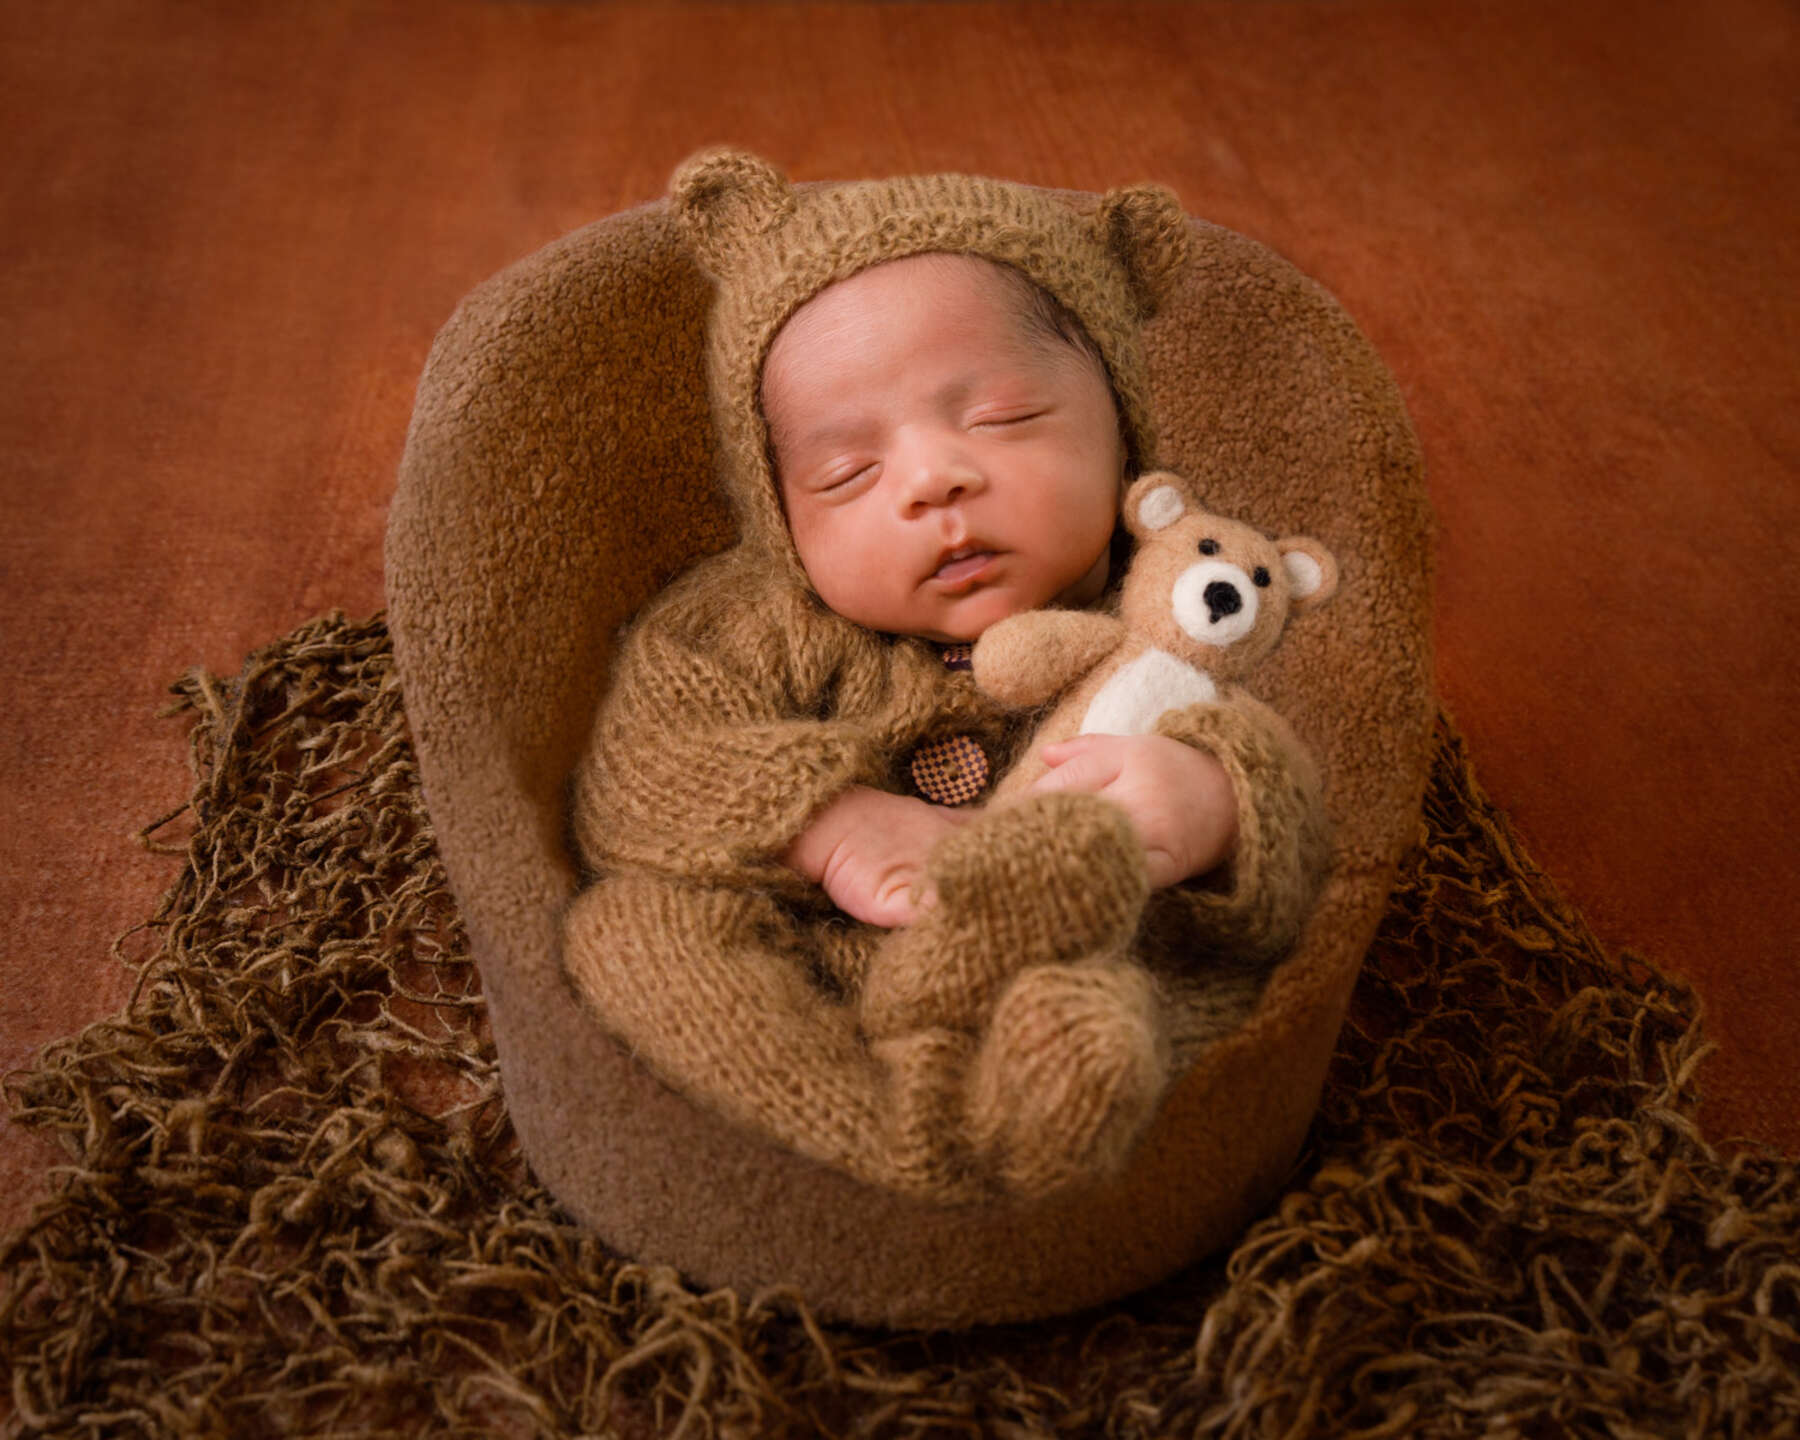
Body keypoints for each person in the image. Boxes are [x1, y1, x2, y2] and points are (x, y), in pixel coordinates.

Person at [562, 149, 1329, 1201]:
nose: (933, 481)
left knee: (1157, 988)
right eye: (847, 472)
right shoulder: (748, 625)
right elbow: (642, 771)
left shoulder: (1174, 608)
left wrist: (1215, 806)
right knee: (636, 930)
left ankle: (1045, 1094)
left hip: (1063, 968)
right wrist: (827, 824)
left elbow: (1298, 799)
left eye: (1002, 418)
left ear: (1121, 435)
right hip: (828, 976)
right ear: (782, 517)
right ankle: (898, 1132)